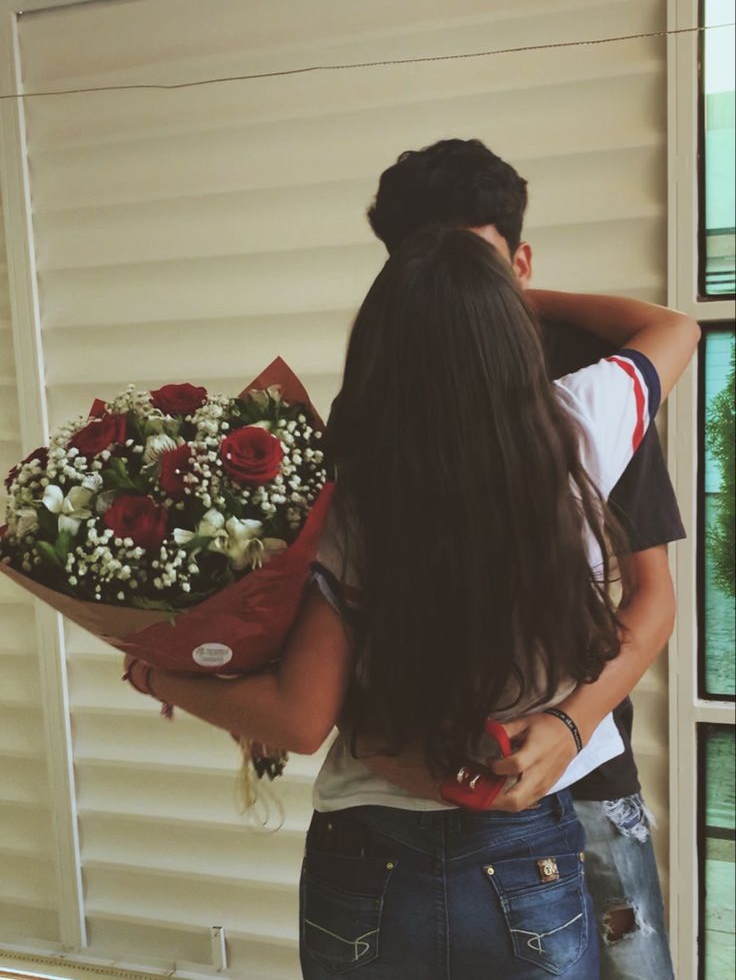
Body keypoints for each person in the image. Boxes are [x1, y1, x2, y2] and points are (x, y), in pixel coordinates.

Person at [124, 228, 698, 978]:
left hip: (367, 862)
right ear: (512, 337)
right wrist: (510, 298)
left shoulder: (355, 501)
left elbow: (300, 719)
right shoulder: (586, 424)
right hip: (527, 854)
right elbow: (675, 328)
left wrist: (156, 675)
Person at [356, 138, 686, 977]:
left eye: (469, 262)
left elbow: (651, 600)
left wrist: (567, 729)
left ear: (520, 262)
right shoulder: (367, 410)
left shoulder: (580, 387)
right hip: (428, 802)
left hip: (588, 776)